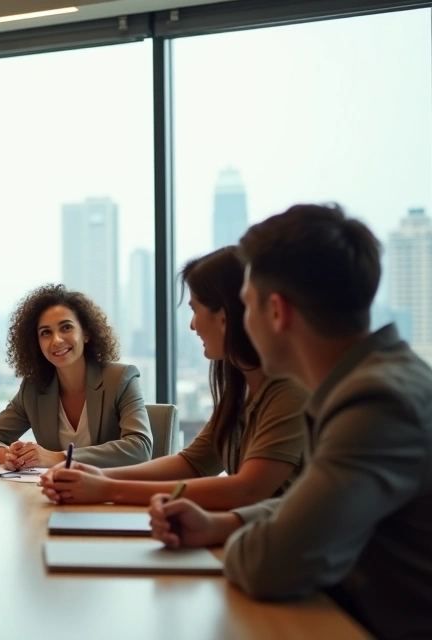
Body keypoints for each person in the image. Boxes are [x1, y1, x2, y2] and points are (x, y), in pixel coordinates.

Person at [149, 204, 432, 640]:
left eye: (245, 306)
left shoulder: (376, 402)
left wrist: (241, 538)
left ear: (276, 311)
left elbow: (270, 565)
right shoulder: (368, 380)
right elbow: (316, 504)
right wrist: (223, 525)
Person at [40, 247, 307, 508]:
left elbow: (245, 490)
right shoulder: (240, 389)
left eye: (195, 310)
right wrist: (95, 475)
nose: (192, 325)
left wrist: (107, 488)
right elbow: (191, 464)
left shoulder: (288, 390)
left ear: (223, 317)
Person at [0, 284, 152, 468]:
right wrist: (10, 457)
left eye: (66, 327)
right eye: (46, 333)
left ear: (86, 333)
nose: (56, 340)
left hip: (111, 492)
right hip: (55, 493)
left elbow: (140, 448)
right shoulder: (34, 389)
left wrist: (58, 458)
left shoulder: (121, 379)